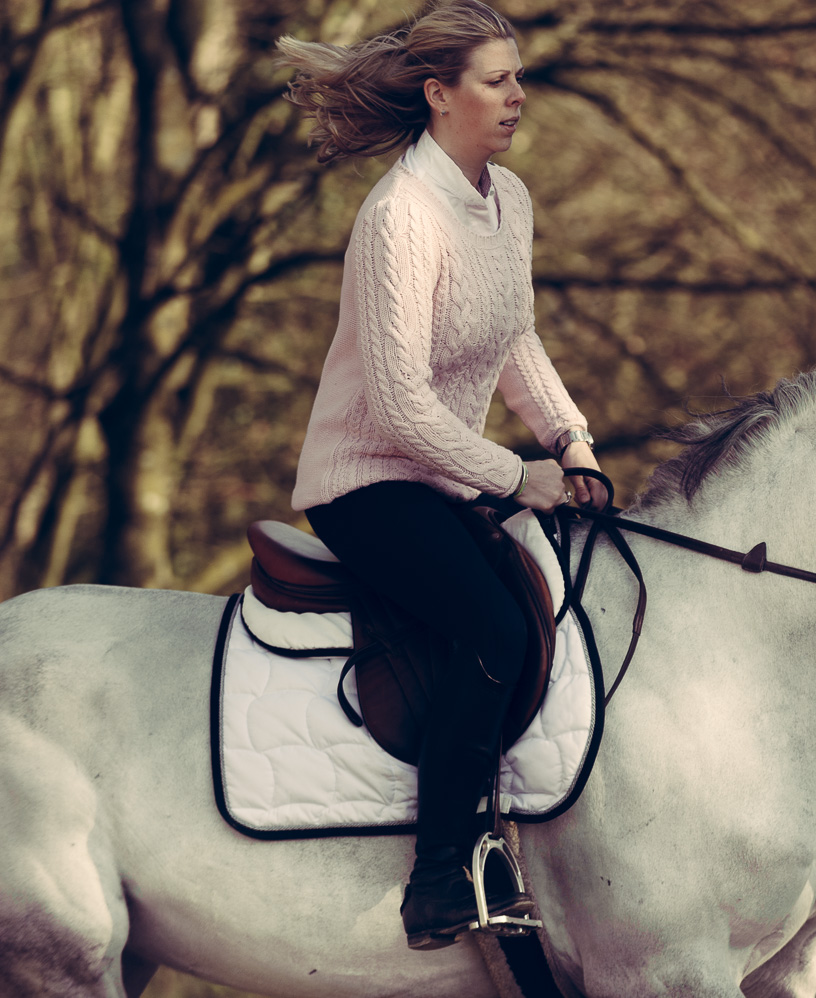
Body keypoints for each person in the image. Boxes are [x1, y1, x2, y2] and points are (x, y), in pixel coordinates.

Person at [277, 0, 607, 951]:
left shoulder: (508, 199)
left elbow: (516, 337)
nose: (517, 95)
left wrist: (571, 439)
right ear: (439, 94)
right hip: (366, 481)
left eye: (516, 76)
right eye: (497, 79)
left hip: (446, 476)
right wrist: (518, 475)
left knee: (552, 603)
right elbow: (398, 409)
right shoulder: (399, 218)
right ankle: (437, 881)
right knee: (497, 627)